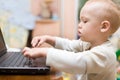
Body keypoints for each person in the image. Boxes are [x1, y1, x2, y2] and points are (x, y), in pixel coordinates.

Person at [22, 0, 120, 80]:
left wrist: (46, 52)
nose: (79, 25)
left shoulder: (105, 54)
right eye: (80, 20)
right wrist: (48, 39)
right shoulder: (88, 44)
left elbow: (77, 62)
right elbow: (69, 45)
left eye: (85, 21)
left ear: (103, 26)